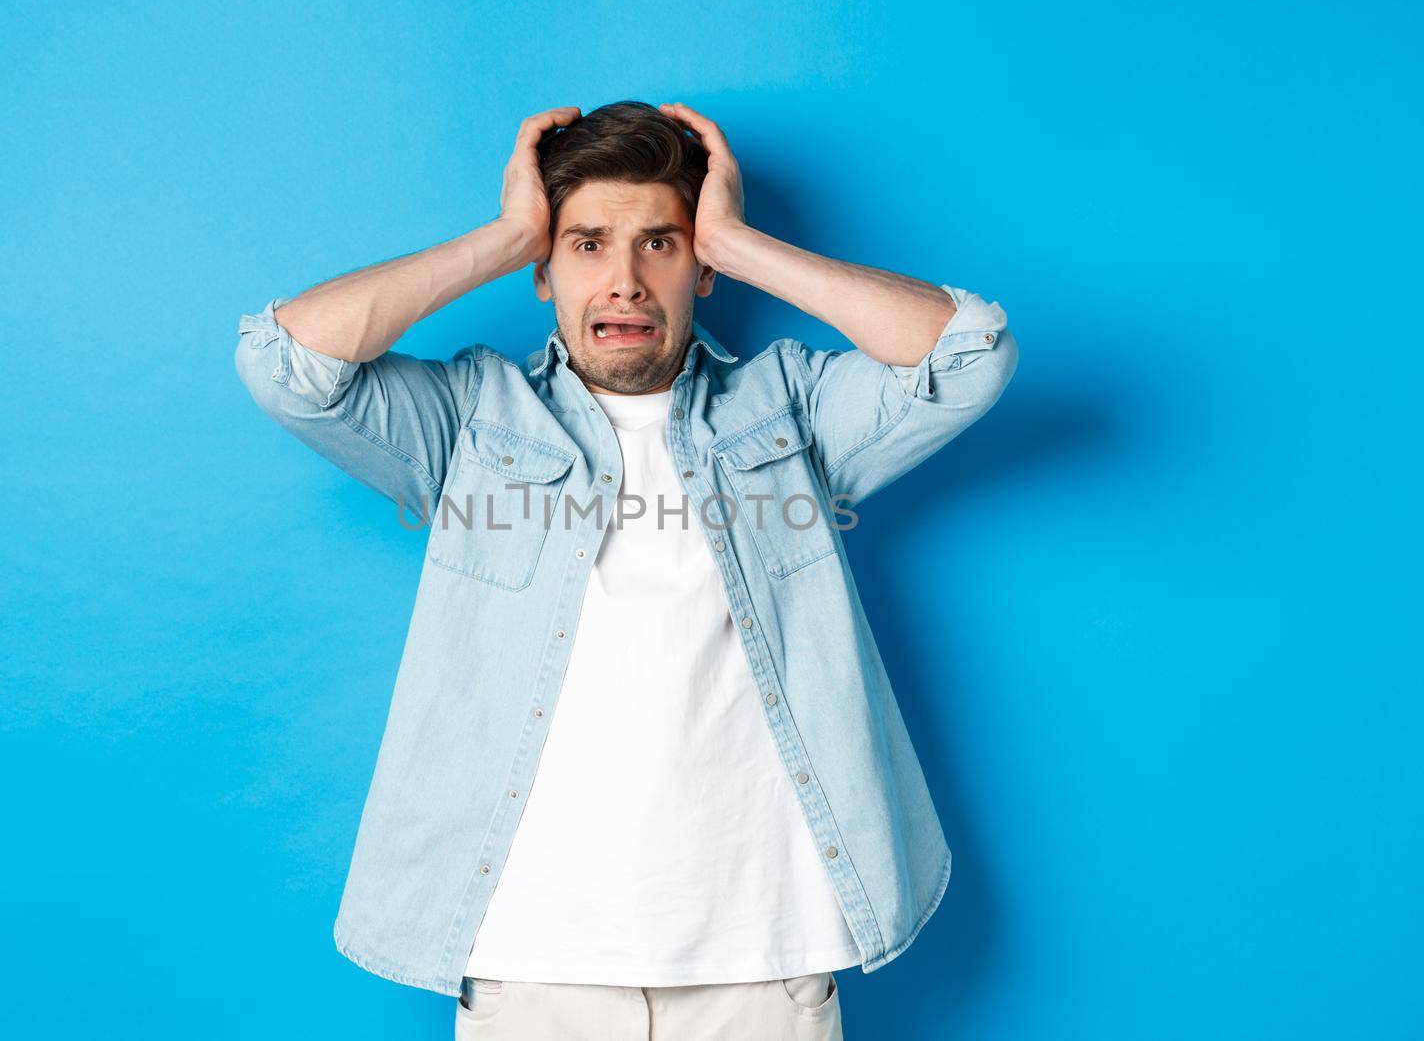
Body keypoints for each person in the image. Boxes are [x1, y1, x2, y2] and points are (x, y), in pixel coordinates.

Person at [234, 100, 1018, 1039]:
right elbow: (282, 362)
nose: (625, 281)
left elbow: (969, 354)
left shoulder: (788, 408)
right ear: (546, 269)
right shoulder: (469, 419)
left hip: (760, 961)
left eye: (660, 243)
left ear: (700, 265)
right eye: (587, 244)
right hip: (530, 959)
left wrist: (737, 239)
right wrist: (507, 235)